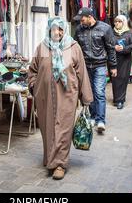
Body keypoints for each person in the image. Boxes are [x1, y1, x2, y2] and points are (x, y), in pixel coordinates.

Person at [28, 17, 93, 180]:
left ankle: (59, 164)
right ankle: (50, 158)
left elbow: (82, 72)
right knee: (48, 128)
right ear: (49, 30)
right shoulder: (42, 47)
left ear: (65, 30)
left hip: (67, 96)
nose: (57, 32)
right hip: (45, 97)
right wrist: (35, 86)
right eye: (54, 29)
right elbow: (32, 70)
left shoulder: (73, 47)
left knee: (63, 129)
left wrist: (86, 98)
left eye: (60, 29)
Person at [73, 7, 117, 133]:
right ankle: (92, 117)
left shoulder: (105, 28)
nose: (80, 22)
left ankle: (101, 120)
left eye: (82, 19)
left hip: (100, 65)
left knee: (99, 92)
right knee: (89, 93)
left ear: (90, 17)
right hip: (85, 65)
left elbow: (111, 48)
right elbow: (75, 48)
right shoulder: (79, 30)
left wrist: (113, 66)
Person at [111, 15, 132, 109]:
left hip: (125, 60)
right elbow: (108, 43)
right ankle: (116, 99)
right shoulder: (111, 33)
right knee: (115, 79)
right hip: (114, 59)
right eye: (116, 21)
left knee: (123, 79)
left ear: (123, 22)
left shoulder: (128, 33)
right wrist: (114, 47)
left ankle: (120, 100)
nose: (117, 23)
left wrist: (124, 48)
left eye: (119, 21)